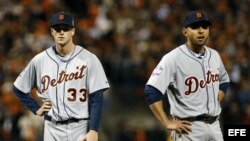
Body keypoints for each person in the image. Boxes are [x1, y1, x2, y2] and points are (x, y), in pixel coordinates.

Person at [12, 11, 110, 141]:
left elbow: (96, 98)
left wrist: (94, 130)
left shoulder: (89, 59)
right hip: (51, 128)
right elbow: (18, 88)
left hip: (80, 127)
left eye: (66, 28)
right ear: (52, 32)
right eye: (58, 29)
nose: (61, 32)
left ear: (73, 31)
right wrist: (35, 108)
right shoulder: (39, 60)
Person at [144, 10, 230, 141]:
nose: (201, 31)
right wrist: (166, 122)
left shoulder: (215, 55)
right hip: (189, 129)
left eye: (204, 27)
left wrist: (220, 94)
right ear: (185, 32)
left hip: (215, 126)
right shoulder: (173, 58)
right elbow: (151, 90)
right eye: (195, 27)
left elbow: (224, 79)